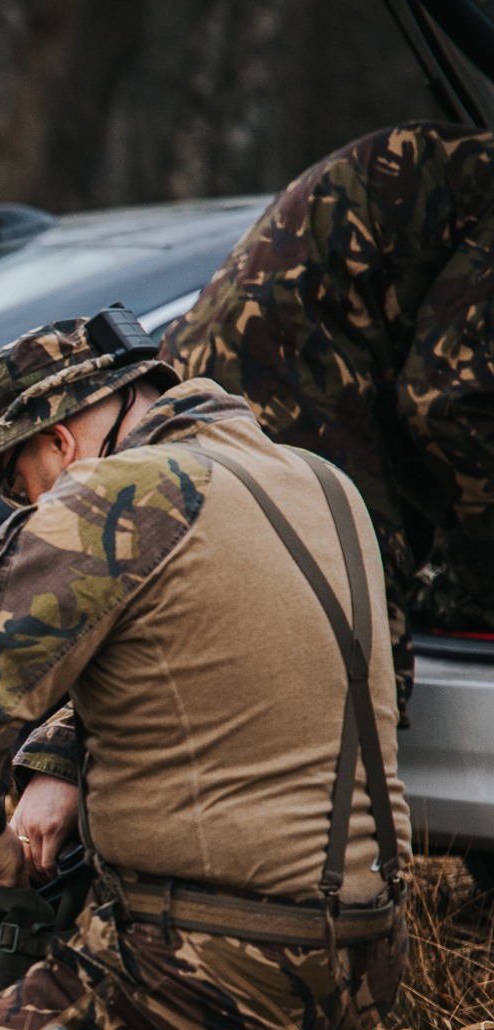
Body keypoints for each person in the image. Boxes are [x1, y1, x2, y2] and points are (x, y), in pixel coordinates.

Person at [0, 312, 411, 1030]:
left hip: (200, 962)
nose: (33, 505)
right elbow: (232, 655)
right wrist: (63, 759)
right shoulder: (323, 485)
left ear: (61, 443)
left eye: (23, 484)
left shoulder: (126, 491)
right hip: (365, 959)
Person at [162, 121, 494, 713]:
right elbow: (447, 401)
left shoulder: (468, 167)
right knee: (354, 658)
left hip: (220, 371)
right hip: (289, 378)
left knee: (228, 644)